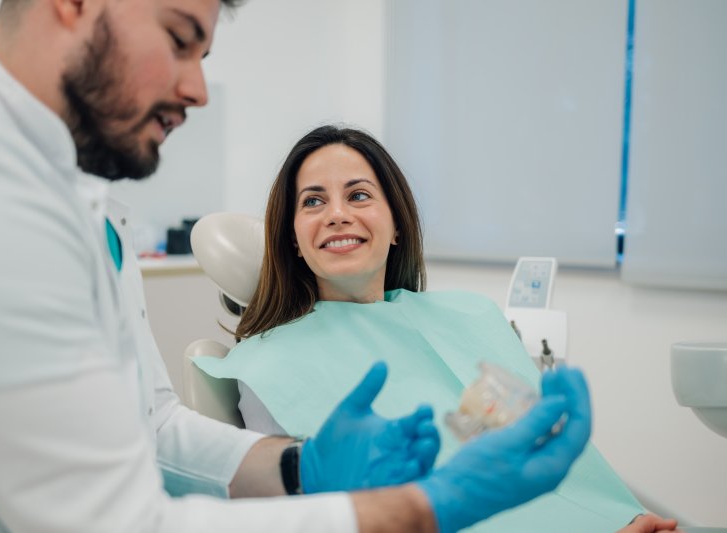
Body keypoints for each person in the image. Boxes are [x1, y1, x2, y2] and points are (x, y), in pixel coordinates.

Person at [0, 1, 591, 532]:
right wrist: (423, 508)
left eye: (361, 195)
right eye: (180, 38)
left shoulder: (84, 196)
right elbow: (116, 521)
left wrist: (299, 465)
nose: (198, 89)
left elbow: (151, 425)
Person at [195, 125, 682, 533]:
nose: (337, 214)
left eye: (359, 195)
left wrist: (616, 521)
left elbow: (539, 457)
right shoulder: (269, 363)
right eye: (313, 201)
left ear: (397, 223)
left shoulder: (468, 317)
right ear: (295, 241)